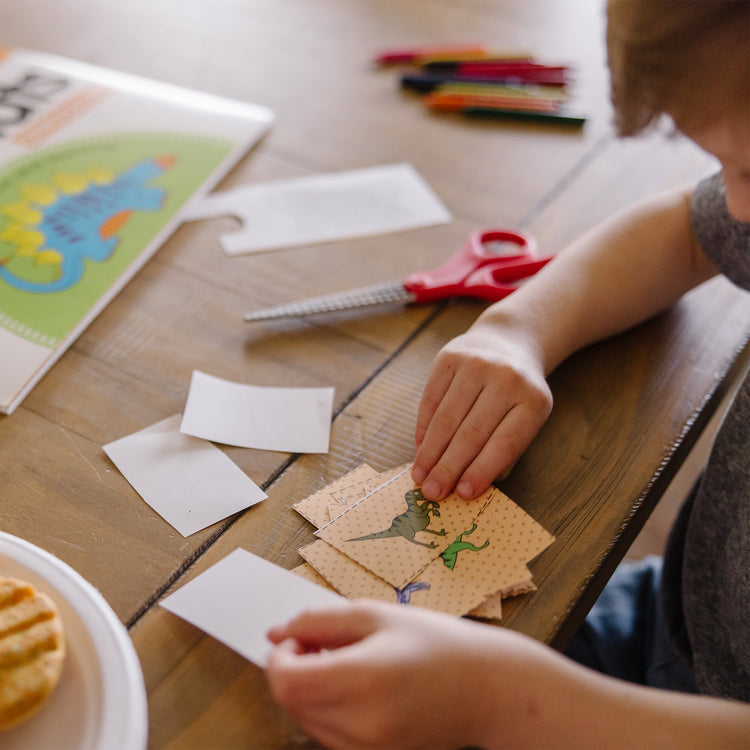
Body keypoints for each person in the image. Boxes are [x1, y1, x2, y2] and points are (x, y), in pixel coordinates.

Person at [265, 1, 750, 747]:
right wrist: (517, 329)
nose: (736, 206)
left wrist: (507, 702)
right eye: (720, 164)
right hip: (673, 619)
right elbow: (684, 231)